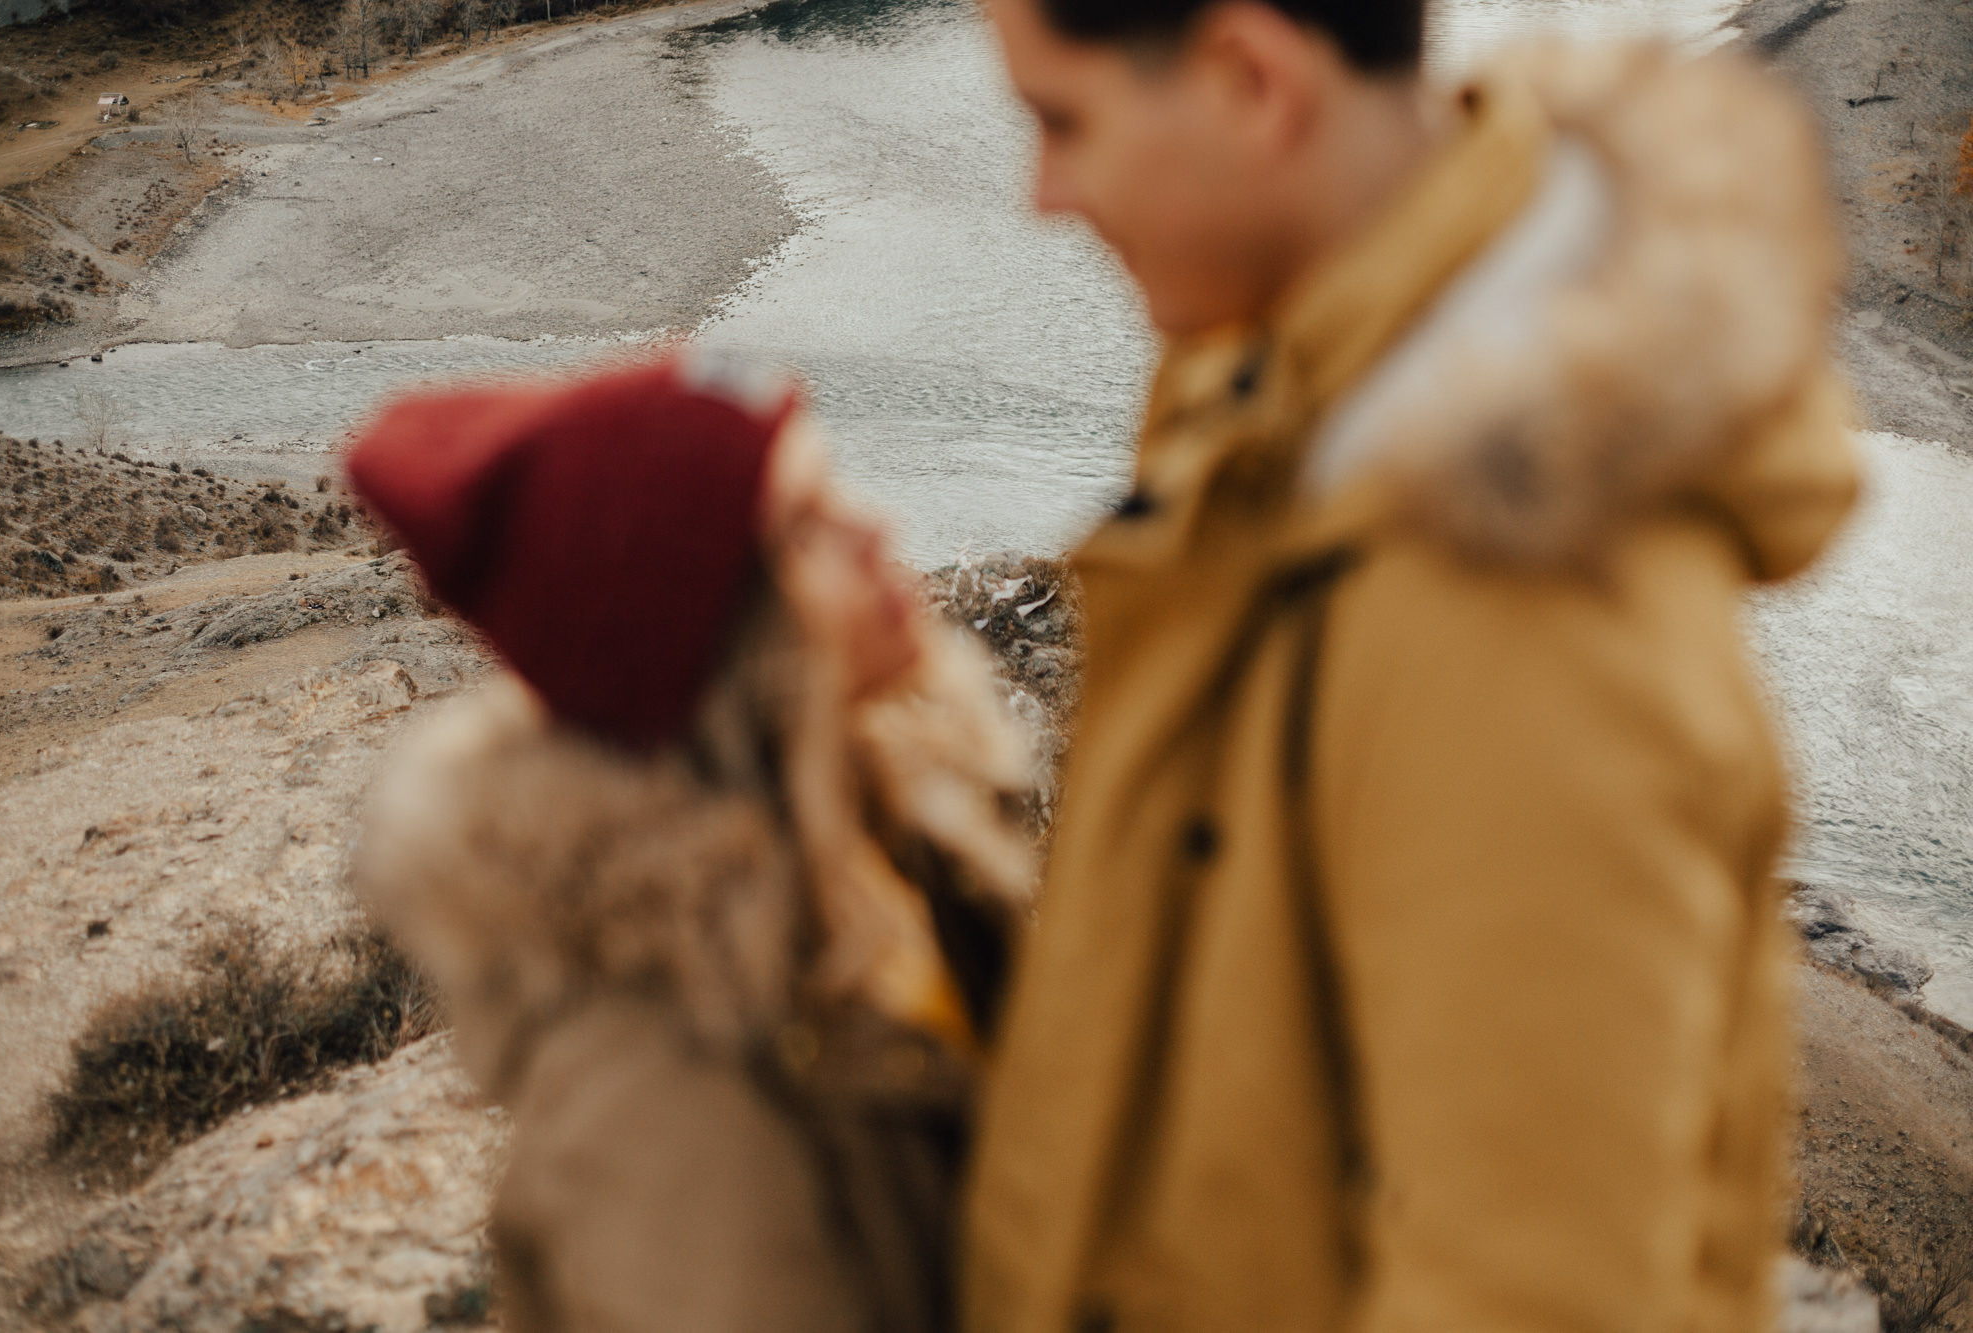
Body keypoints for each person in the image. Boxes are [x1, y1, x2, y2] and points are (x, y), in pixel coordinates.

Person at [966, 2, 1860, 1330]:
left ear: (1251, 81)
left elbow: (1534, 1289)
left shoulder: (1522, 617)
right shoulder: (1280, 399)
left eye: (1064, 121)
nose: (1045, 196)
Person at [346, 351, 1036, 1333]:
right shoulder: (662, 1099)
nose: (874, 529)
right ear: (718, 644)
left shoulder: (893, 849)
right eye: (804, 530)